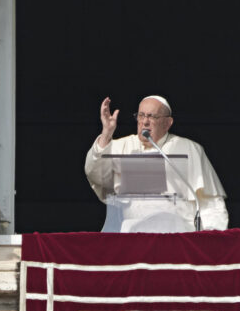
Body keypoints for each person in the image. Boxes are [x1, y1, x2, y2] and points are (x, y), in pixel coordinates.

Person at [85, 95, 228, 231]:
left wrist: (212, 237)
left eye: (152, 116)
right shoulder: (121, 146)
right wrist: (106, 134)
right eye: (141, 115)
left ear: (168, 123)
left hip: (180, 233)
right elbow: (96, 175)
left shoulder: (189, 149)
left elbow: (210, 202)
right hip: (134, 233)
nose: (145, 122)